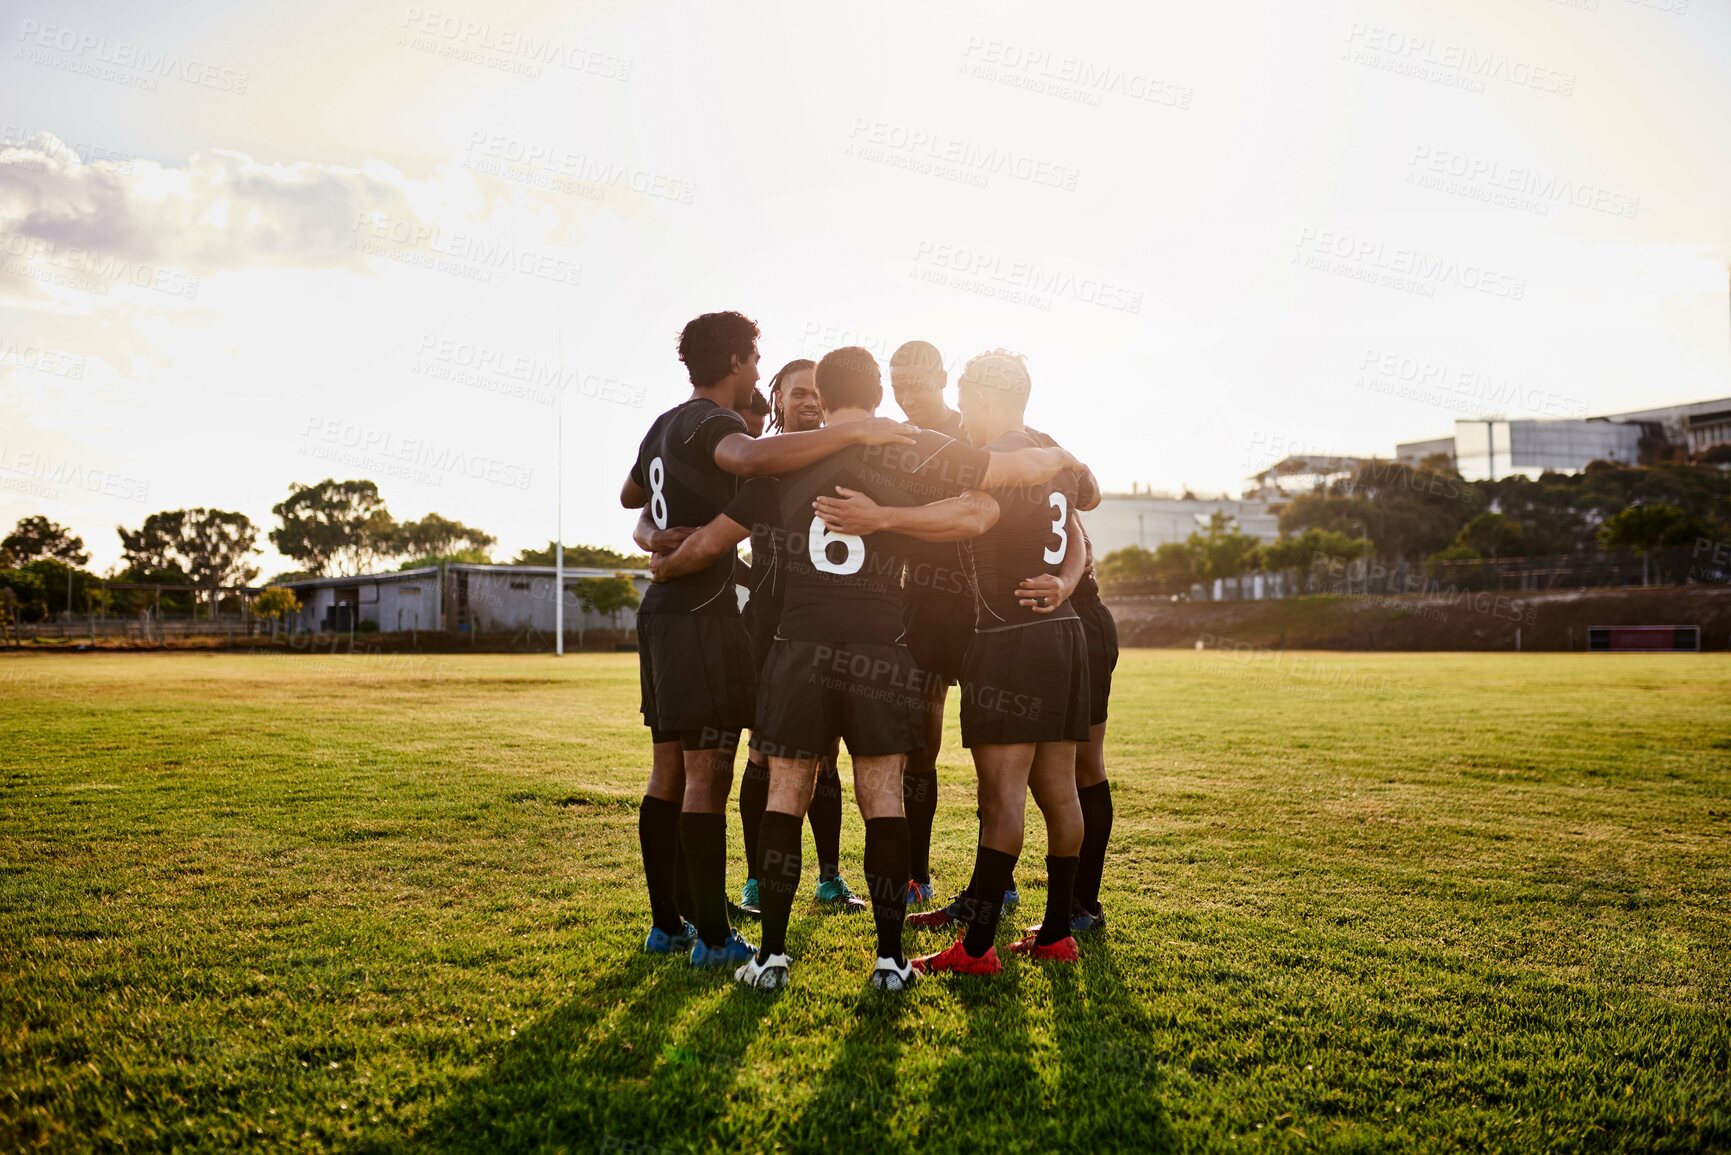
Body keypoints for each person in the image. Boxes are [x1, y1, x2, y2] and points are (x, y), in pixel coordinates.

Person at [653, 345, 1083, 991]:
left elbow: (710, 543)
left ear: (820, 399)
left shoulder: (780, 465)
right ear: (877, 394)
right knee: (881, 793)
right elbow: (993, 481)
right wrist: (1053, 457)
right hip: (881, 648)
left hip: (798, 649)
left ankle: (770, 955)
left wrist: (661, 556)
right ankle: (889, 959)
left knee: (786, 793)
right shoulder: (911, 454)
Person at [619, 312, 914, 969]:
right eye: (755, 360)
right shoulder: (716, 423)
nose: (759, 372)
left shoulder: (661, 424)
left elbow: (634, 497)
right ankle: (715, 937)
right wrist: (857, 428)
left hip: (663, 609)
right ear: (734, 361)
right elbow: (749, 457)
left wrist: (651, 539)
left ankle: (668, 923)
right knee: (706, 772)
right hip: (701, 609)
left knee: (669, 768)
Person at [816, 351, 1092, 975]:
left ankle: (977, 948)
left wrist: (881, 516)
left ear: (985, 398)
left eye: (965, 397)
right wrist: (1068, 582)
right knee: (1057, 791)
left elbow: (973, 514)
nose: (961, 410)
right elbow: (1074, 524)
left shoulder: (1011, 458)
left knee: (1002, 799)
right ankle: (1055, 933)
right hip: (1062, 634)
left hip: (1012, 638)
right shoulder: (1044, 452)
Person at [641, 361, 863, 916]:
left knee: (823, 758)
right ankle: (758, 883)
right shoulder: (756, 457)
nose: (811, 402)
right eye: (799, 393)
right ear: (778, 401)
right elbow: (705, 525)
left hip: (829, 619)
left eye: (819, 393)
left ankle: (830, 876)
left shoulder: (844, 459)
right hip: (766, 625)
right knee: (763, 757)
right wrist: (664, 548)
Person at [885, 340, 971, 906]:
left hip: (988, 606)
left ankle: (1000, 879)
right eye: (898, 385)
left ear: (942, 377)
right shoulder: (894, 442)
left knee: (999, 749)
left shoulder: (978, 432)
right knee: (922, 748)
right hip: (922, 607)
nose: (908, 395)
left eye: (917, 383)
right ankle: (917, 872)